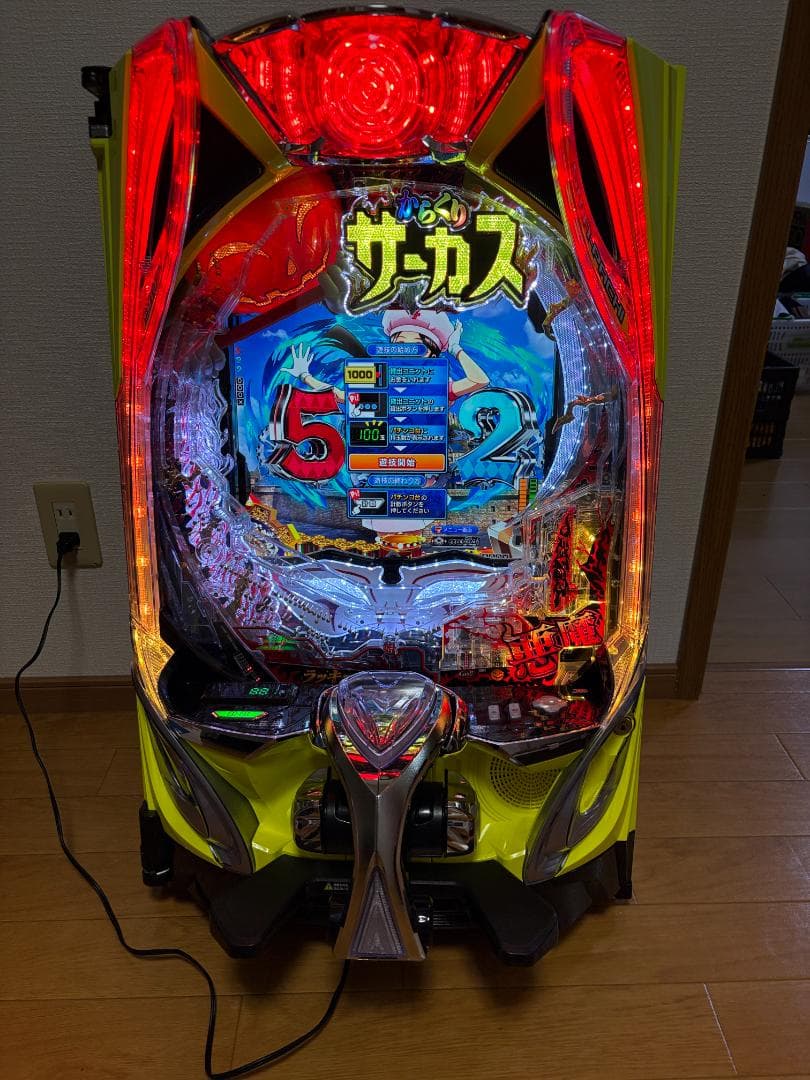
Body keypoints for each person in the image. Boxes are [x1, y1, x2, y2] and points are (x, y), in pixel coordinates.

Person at [288, 308, 489, 403]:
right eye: (400, 344)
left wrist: (455, 348)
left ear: (433, 355)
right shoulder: (383, 383)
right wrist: (305, 376)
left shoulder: (437, 386)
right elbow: (340, 395)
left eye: (418, 346)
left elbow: (479, 380)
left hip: (428, 463)